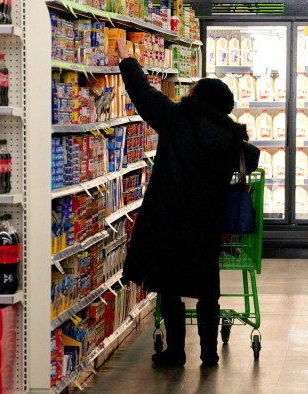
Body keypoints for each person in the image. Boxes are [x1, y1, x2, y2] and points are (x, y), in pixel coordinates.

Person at [115, 38, 259, 367]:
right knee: (208, 289)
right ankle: (209, 354)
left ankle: (176, 351)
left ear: (198, 97)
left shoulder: (175, 118)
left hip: (168, 219)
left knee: (169, 286)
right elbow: (251, 158)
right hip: (206, 222)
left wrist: (127, 59)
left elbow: (143, 94)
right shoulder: (231, 137)